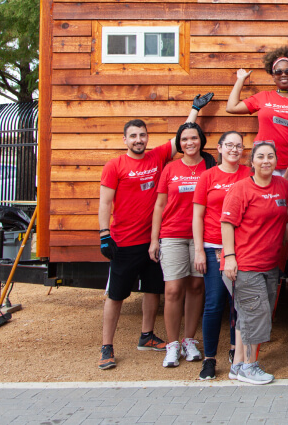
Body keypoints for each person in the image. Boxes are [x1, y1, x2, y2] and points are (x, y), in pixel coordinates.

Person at [97, 92, 213, 370]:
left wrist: (195, 109)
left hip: (153, 241)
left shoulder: (157, 157)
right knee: (116, 295)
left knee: (153, 291)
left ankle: (147, 335)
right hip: (124, 241)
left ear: (147, 138)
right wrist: (104, 234)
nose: (138, 140)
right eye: (133, 136)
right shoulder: (115, 165)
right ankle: (106, 346)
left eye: (142, 135)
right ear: (125, 139)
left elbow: (183, 138)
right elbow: (104, 201)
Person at [221, 141, 288, 385]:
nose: (266, 160)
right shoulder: (241, 188)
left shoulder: (282, 185)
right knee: (256, 315)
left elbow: (286, 213)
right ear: (252, 162)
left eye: (270, 156)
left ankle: (238, 365)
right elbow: (227, 223)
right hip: (244, 266)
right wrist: (229, 257)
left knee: (247, 316)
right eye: (260, 156)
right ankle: (250, 366)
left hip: (269, 264)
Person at [148, 122, 216, 368]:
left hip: (202, 236)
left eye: (194, 138)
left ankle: (189, 341)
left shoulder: (210, 167)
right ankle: (172, 344)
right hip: (173, 234)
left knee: (197, 287)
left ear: (201, 141)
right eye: (185, 139)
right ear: (180, 142)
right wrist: (154, 239)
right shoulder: (170, 169)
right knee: (173, 290)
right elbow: (159, 206)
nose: (190, 143)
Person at [192, 131, 252, 380]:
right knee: (214, 303)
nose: (234, 150)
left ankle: (233, 350)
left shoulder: (248, 174)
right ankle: (209, 359)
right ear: (219, 148)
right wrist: (198, 250)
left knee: (237, 304)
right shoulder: (208, 176)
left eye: (239, 146)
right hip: (212, 247)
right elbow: (197, 215)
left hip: (241, 249)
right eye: (229, 145)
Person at [225, 46, 288, 174]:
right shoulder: (263, 97)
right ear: (273, 76)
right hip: (264, 161)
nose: (283, 74)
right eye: (278, 72)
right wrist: (240, 80)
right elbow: (231, 107)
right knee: (265, 193)